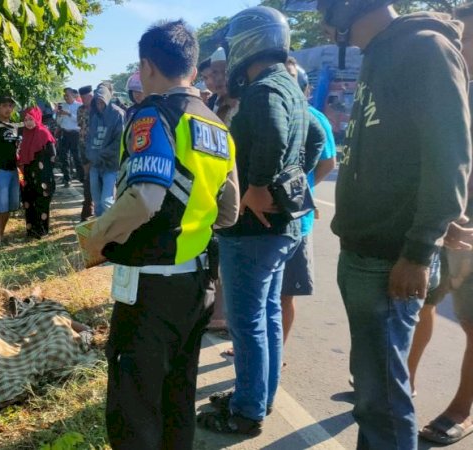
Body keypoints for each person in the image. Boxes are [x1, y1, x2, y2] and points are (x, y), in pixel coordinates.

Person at [286, 0, 471, 448]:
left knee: (382, 402)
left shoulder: (425, 49)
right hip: (363, 251)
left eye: (325, 11)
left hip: (390, 259)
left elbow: (450, 162)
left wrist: (417, 252)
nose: (323, 24)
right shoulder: (378, 55)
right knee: (373, 396)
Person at [83, 20, 239, 450]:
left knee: (135, 409)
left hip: (150, 289)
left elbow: (144, 199)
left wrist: (97, 237)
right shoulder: (217, 125)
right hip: (197, 286)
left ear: (147, 65)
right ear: (192, 65)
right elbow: (229, 212)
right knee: (177, 400)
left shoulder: (153, 115)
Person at [199, 6, 324, 435]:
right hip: (281, 228)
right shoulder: (289, 85)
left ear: (248, 42)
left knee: (247, 322)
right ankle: (259, 397)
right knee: (267, 315)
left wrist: (258, 186)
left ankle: (247, 411)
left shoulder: (263, 90)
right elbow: (318, 137)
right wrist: (291, 179)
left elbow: (270, 132)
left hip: (251, 231)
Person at [407, 2, 473, 445]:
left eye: (467, 40)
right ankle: (402, 381)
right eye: (460, 39)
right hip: (435, 226)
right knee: (421, 305)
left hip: (468, 234)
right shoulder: (445, 87)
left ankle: (461, 409)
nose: (461, 47)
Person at [280, 58, 337, 347]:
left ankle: (277, 353)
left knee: (285, 293)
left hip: (296, 221)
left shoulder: (314, 117)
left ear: (305, 88)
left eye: (291, 79)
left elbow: (328, 161)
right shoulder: (272, 110)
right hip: (269, 221)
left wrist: (305, 188)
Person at [0, 94, 21, 246]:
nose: (8, 109)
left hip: (13, 169)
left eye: (11, 106)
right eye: (5, 105)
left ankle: (1, 234)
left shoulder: (14, 126)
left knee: (8, 206)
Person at [85, 84, 124, 217]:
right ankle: (100, 233)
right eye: (97, 102)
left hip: (110, 164)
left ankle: (112, 232)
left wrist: (101, 154)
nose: (100, 105)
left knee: (107, 201)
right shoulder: (93, 114)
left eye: (102, 102)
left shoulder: (117, 114)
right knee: (97, 202)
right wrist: (89, 156)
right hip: (95, 164)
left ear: (107, 99)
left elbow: (119, 141)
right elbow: (89, 137)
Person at [18, 106, 57, 239]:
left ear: (37, 118)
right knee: (29, 202)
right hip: (28, 174)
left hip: (42, 176)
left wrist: (45, 170)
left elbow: (52, 155)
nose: (28, 122)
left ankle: (42, 231)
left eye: (31, 119)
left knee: (41, 202)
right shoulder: (25, 134)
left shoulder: (43, 132)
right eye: (26, 119)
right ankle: (31, 231)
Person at [56, 87, 83, 187]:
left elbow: (79, 121)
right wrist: (59, 115)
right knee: (64, 157)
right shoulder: (63, 106)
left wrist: (68, 114)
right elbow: (59, 122)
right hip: (65, 133)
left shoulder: (79, 106)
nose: (65, 97)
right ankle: (67, 178)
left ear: (73, 95)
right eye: (64, 95)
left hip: (75, 133)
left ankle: (81, 178)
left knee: (77, 157)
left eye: (67, 95)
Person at [78, 85, 95, 221]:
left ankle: (89, 207)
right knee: (87, 177)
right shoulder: (80, 110)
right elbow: (80, 125)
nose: (84, 100)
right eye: (82, 97)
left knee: (92, 178)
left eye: (86, 97)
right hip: (83, 146)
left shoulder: (98, 109)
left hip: (95, 148)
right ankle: (88, 205)